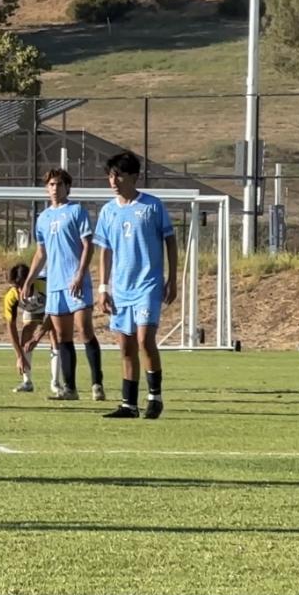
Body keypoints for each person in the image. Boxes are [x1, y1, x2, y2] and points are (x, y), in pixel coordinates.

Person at [94, 151, 178, 419]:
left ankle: (155, 397)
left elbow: (170, 241)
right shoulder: (108, 211)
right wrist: (103, 287)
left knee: (144, 339)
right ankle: (128, 404)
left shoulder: (152, 206)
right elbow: (105, 251)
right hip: (121, 289)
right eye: (110, 175)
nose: (113, 180)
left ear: (133, 176)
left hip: (148, 286)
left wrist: (173, 278)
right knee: (126, 346)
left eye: (118, 174)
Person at [23, 168, 105, 403]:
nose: (55, 188)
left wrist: (80, 274)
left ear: (67, 187)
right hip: (55, 285)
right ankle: (70, 388)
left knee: (85, 331)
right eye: (51, 184)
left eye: (59, 184)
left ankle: (97, 383)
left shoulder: (77, 211)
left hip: (76, 282)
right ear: (46, 188)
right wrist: (30, 279)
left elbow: (88, 245)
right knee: (62, 336)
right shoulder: (43, 218)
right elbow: (41, 253)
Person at [2, 262, 51, 394]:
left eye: (23, 285)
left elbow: (54, 314)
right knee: (26, 332)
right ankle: (27, 382)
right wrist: (20, 356)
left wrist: (37, 337)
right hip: (34, 307)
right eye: (17, 286)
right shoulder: (11, 296)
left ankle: (56, 384)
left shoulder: (45, 285)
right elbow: (11, 327)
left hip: (51, 306)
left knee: (55, 336)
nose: (20, 290)